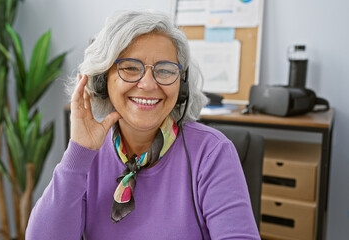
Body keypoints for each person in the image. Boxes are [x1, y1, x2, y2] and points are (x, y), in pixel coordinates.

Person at [26, 10, 260, 240]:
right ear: (101, 80)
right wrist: (78, 153)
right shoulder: (89, 156)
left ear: (182, 86)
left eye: (166, 70)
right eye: (130, 67)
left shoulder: (212, 153)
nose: (148, 84)